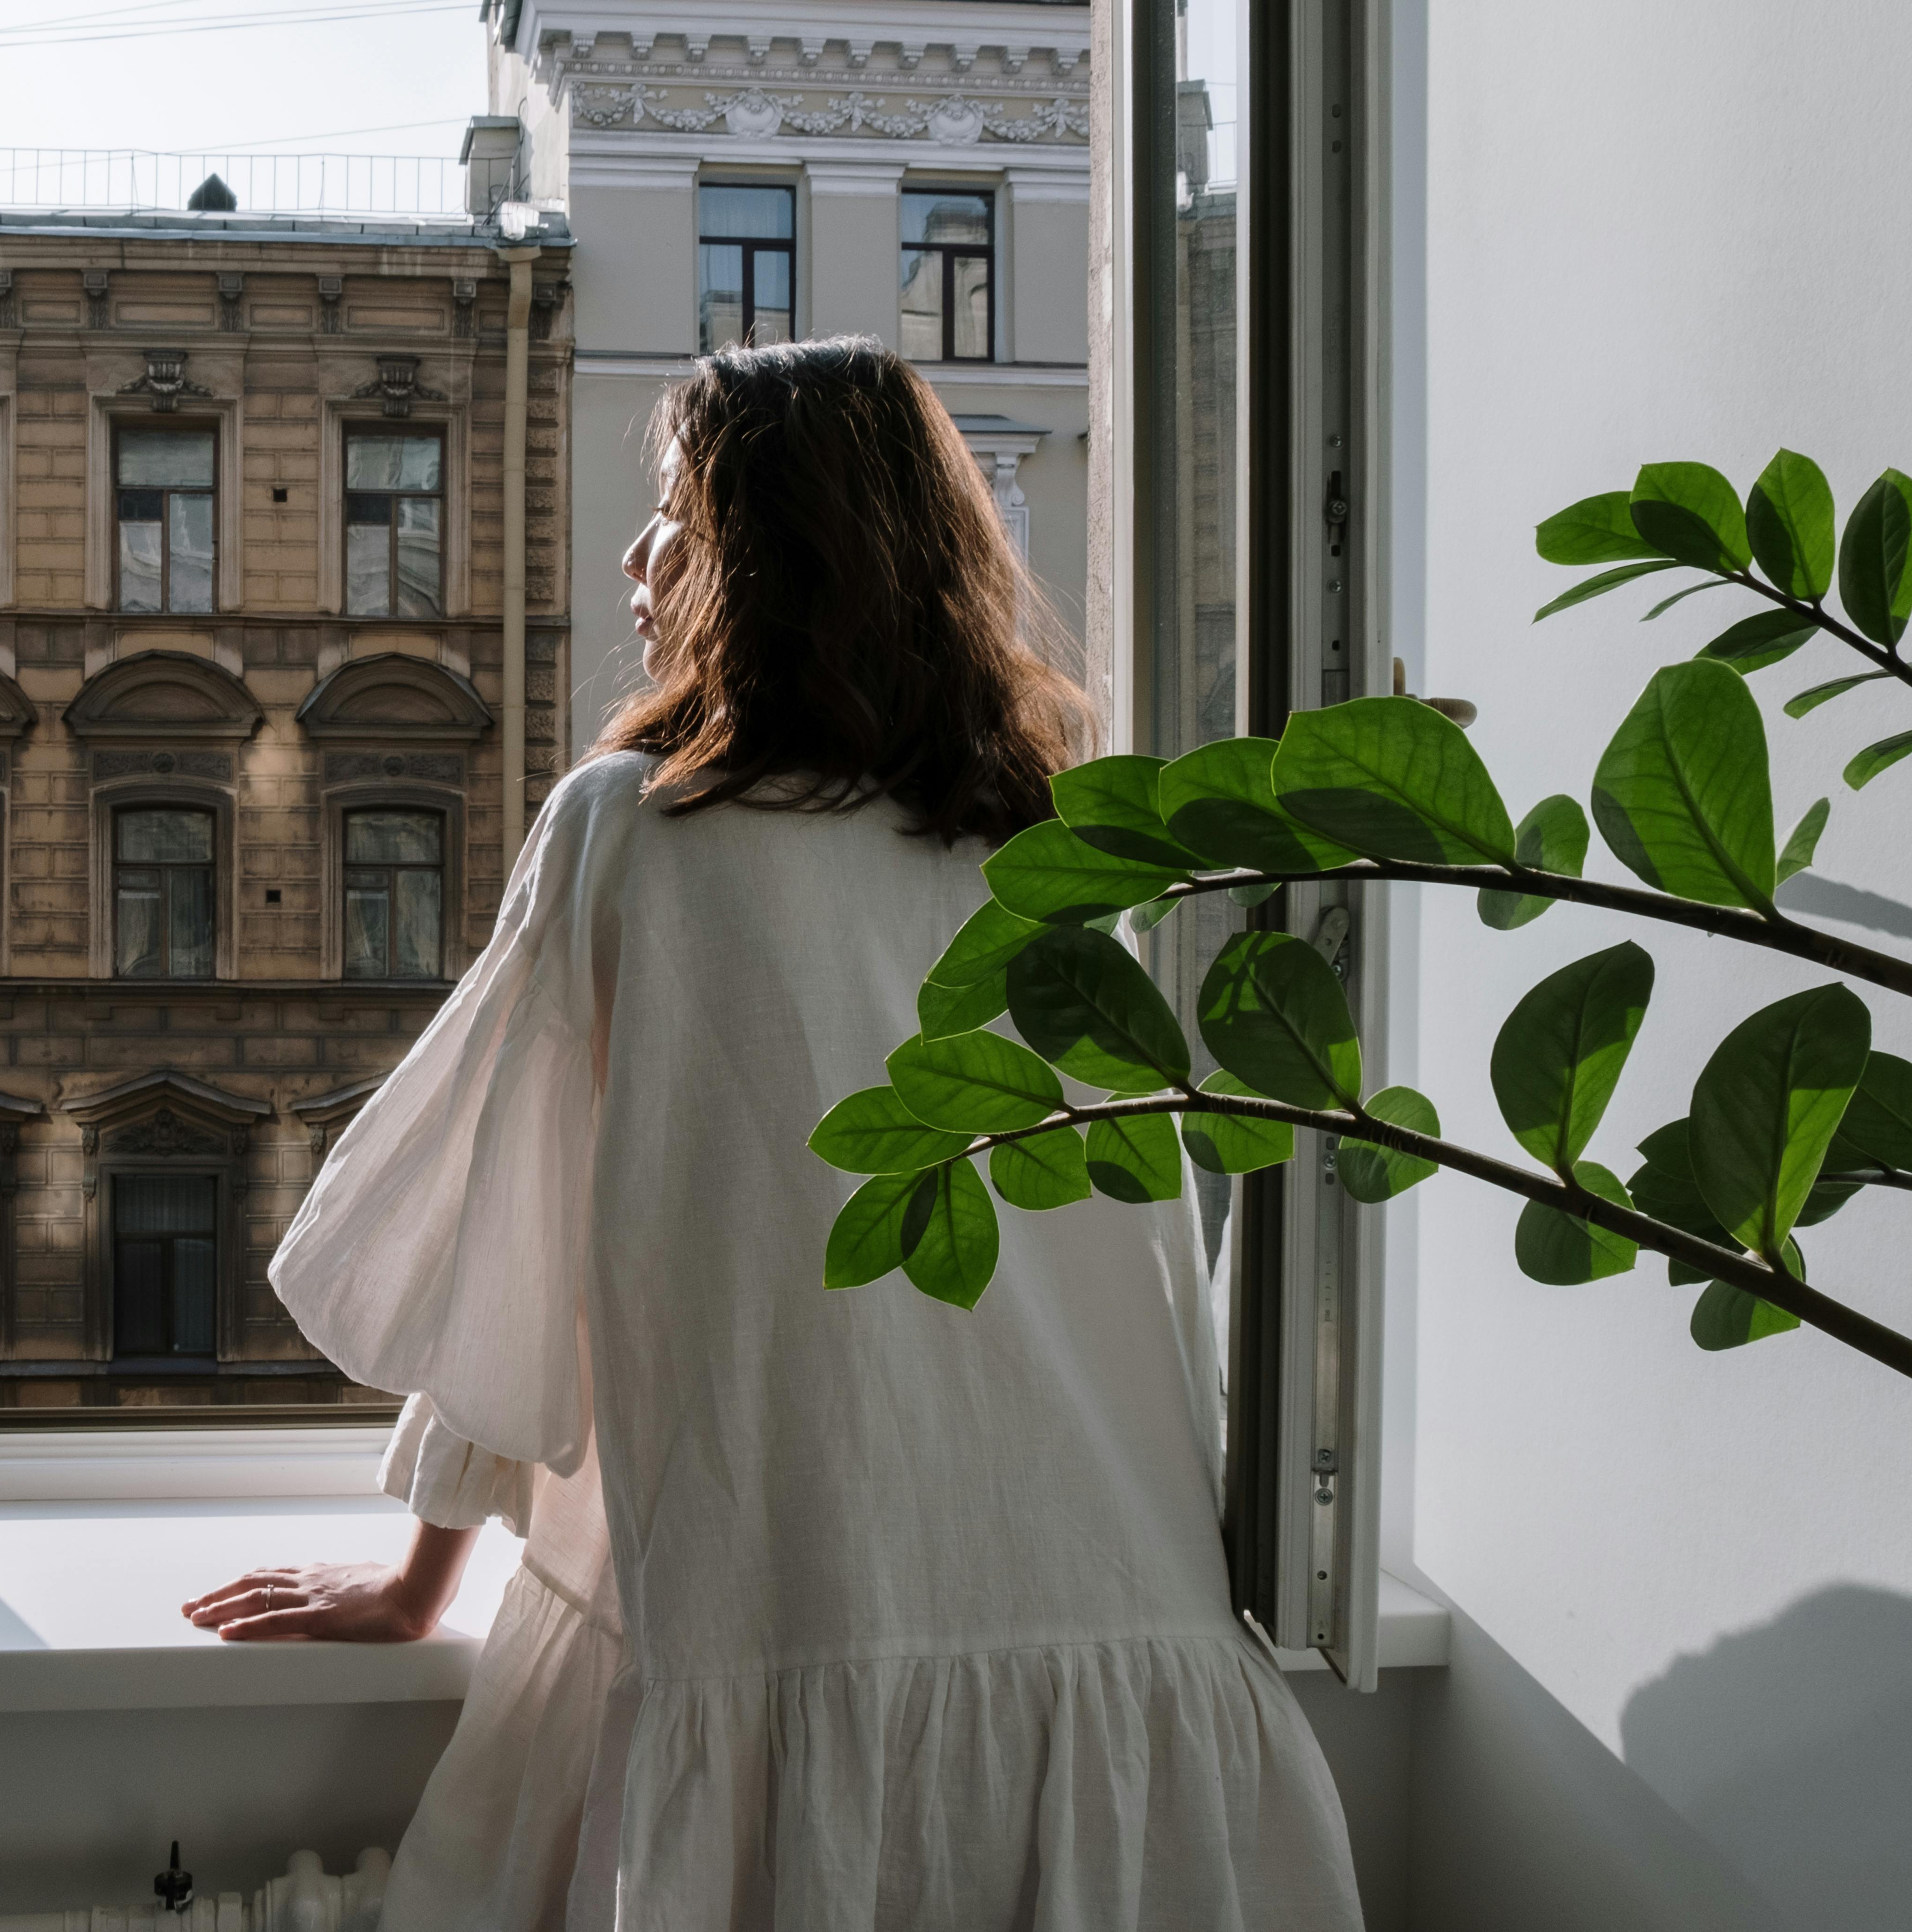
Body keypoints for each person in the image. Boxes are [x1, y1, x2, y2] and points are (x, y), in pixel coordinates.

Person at [182, 337, 1363, 1931]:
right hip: (1133, 1659)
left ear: (767, 562)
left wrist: (417, 1585)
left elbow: (506, 1244)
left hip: (784, 1635)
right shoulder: (1059, 848)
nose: (635, 553)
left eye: (672, 510)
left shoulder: (635, 827)